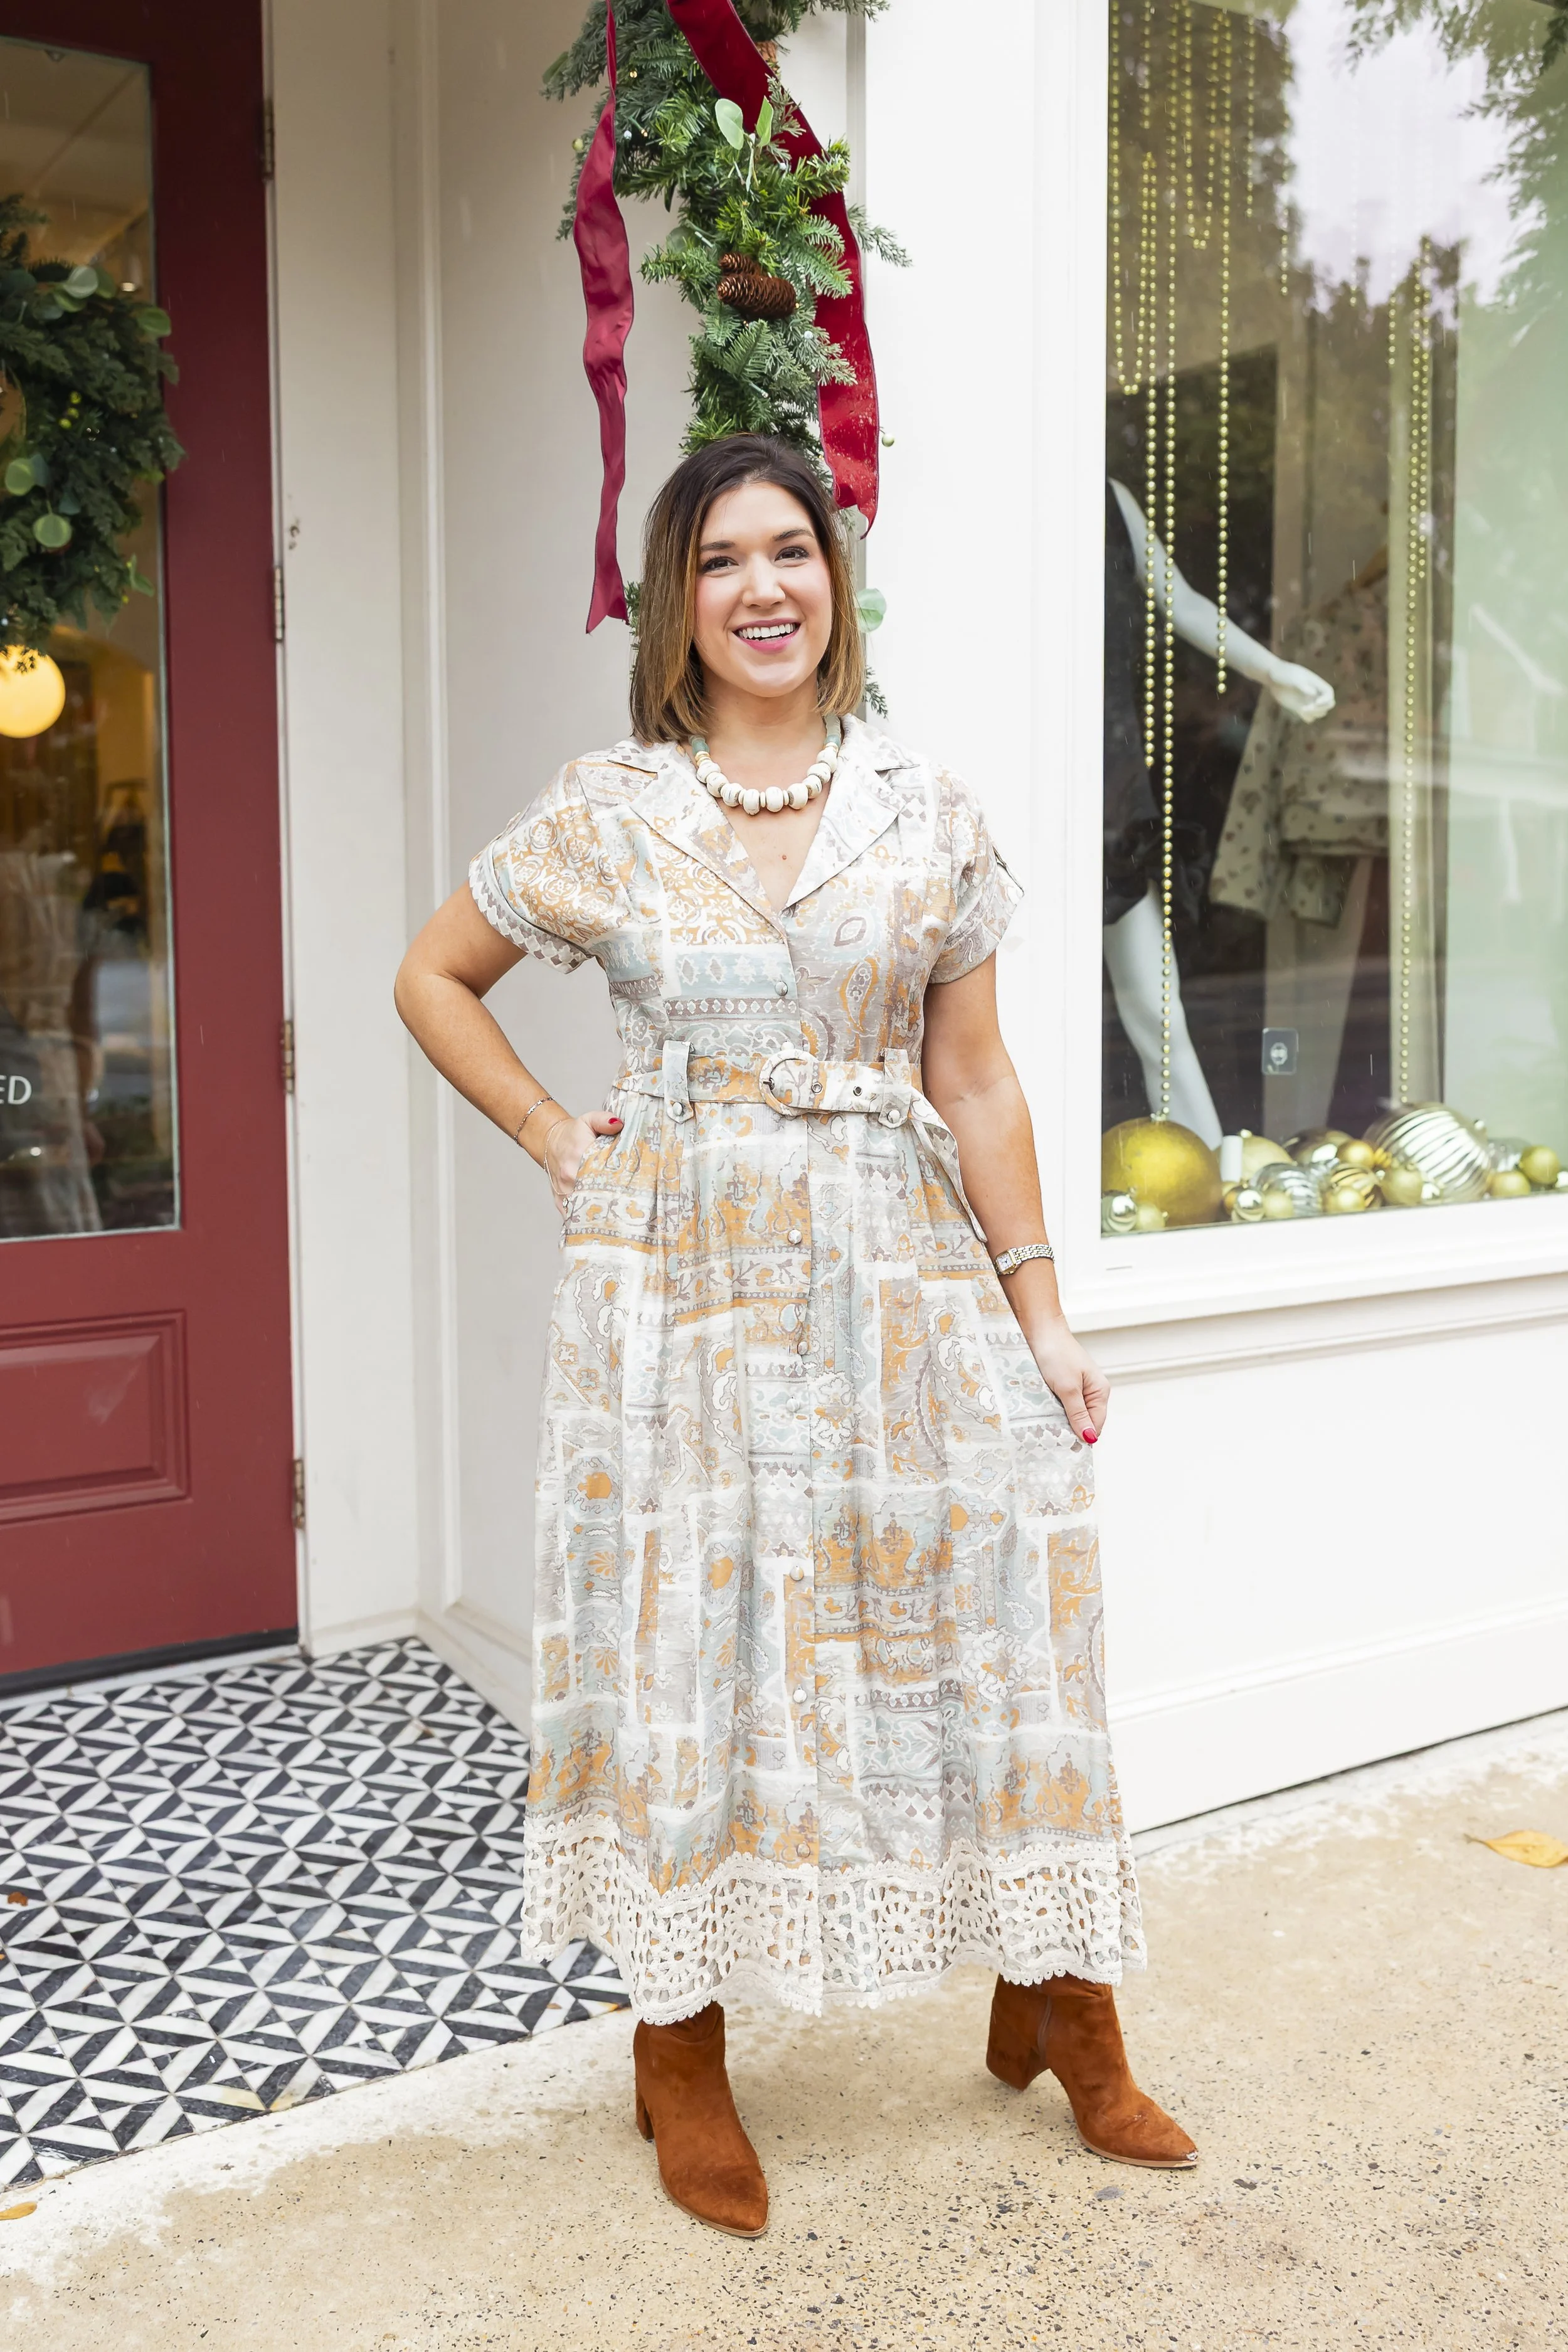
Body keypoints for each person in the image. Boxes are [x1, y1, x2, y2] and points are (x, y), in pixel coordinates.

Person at [395, 433, 1195, 2237]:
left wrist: (1042, 1315)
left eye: (791, 552)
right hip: (676, 1292)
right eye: (719, 561)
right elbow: (429, 975)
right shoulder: (607, 809)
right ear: (675, 606)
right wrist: (552, 1135)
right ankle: (677, 2045)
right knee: (693, 1640)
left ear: (836, 582)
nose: (763, 587)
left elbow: (975, 1078)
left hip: (903, 1272)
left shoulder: (929, 809)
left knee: (1000, 1597)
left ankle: (1061, 2000)